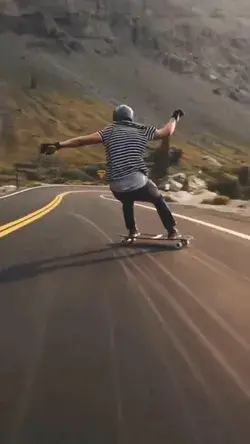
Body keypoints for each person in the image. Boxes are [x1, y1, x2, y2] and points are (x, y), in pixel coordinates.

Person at [40, 104, 184, 239]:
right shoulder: (141, 129)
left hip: (116, 188)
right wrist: (174, 118)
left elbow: (81, 141)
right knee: (157, 199)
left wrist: (58, 145)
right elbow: (167, 132)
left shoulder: (108, 131)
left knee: (127, 199)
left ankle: (132, 230)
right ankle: (172, 231)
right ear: (130, 117)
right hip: (137, 182)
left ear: (115, 118)